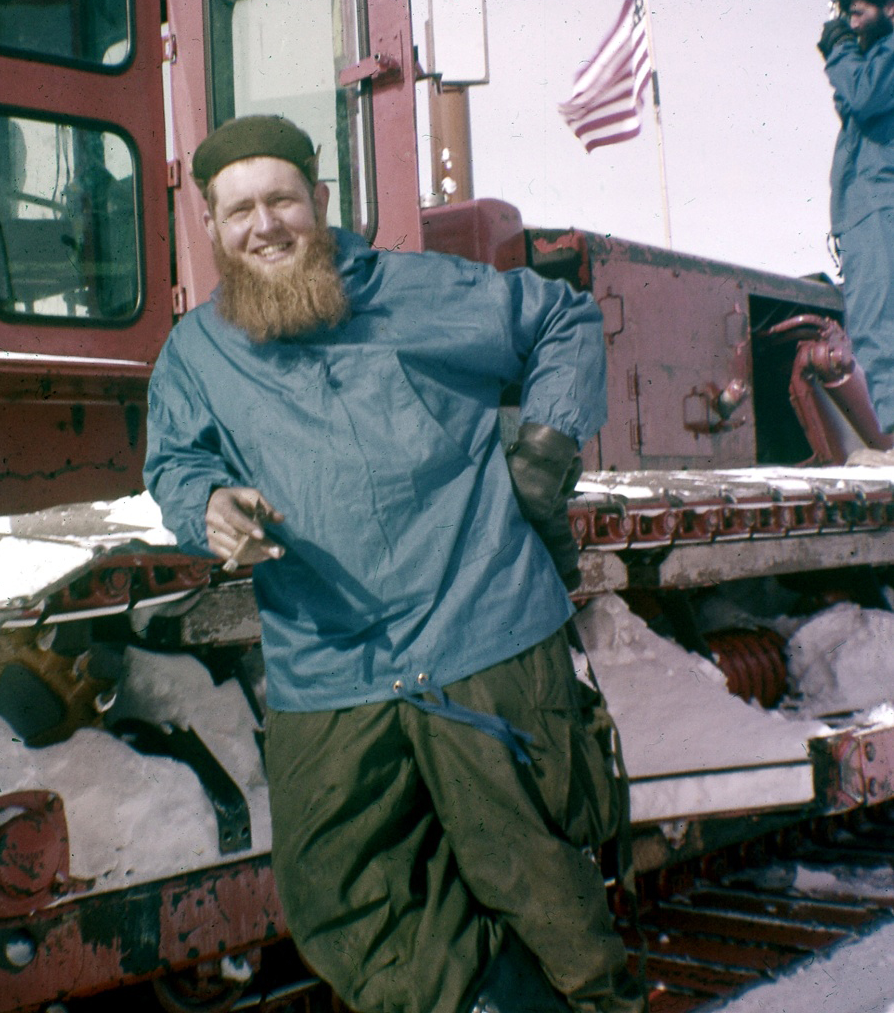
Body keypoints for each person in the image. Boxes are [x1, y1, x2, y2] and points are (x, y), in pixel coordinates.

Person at [144, 114, 643, 1013]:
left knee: (545, 894)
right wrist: (209, 507)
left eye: (282, 199)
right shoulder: (197, 354)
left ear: (320, 202)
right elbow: (179, 461)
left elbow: (563, 318)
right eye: (239, 210)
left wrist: (544, 450)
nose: (265, 226)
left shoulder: (418, 292)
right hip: (328, 665)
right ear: (210, 228)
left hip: (479, 628)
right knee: (345, 902)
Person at [819, 0, 894, 446]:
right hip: (870, 204)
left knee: (876, 327)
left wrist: (840, 49)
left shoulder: (885, 57)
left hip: (878, 203)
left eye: (859, 9)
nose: (851, 18)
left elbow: (862, 95)